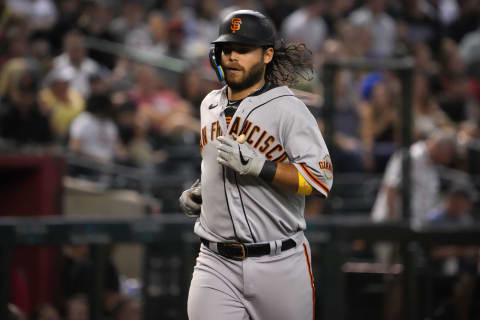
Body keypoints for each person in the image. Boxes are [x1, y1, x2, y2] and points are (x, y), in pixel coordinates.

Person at [179, 10, 333, 320]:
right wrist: (202, 191)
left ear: (267, 55)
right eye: (226, 48)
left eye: (243, 49)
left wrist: (263, 167)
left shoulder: (288, 109)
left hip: (279, 262)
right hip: (214, 261)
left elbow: (319, 182)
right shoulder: (209, 104)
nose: (232, 56)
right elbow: (216, 163)